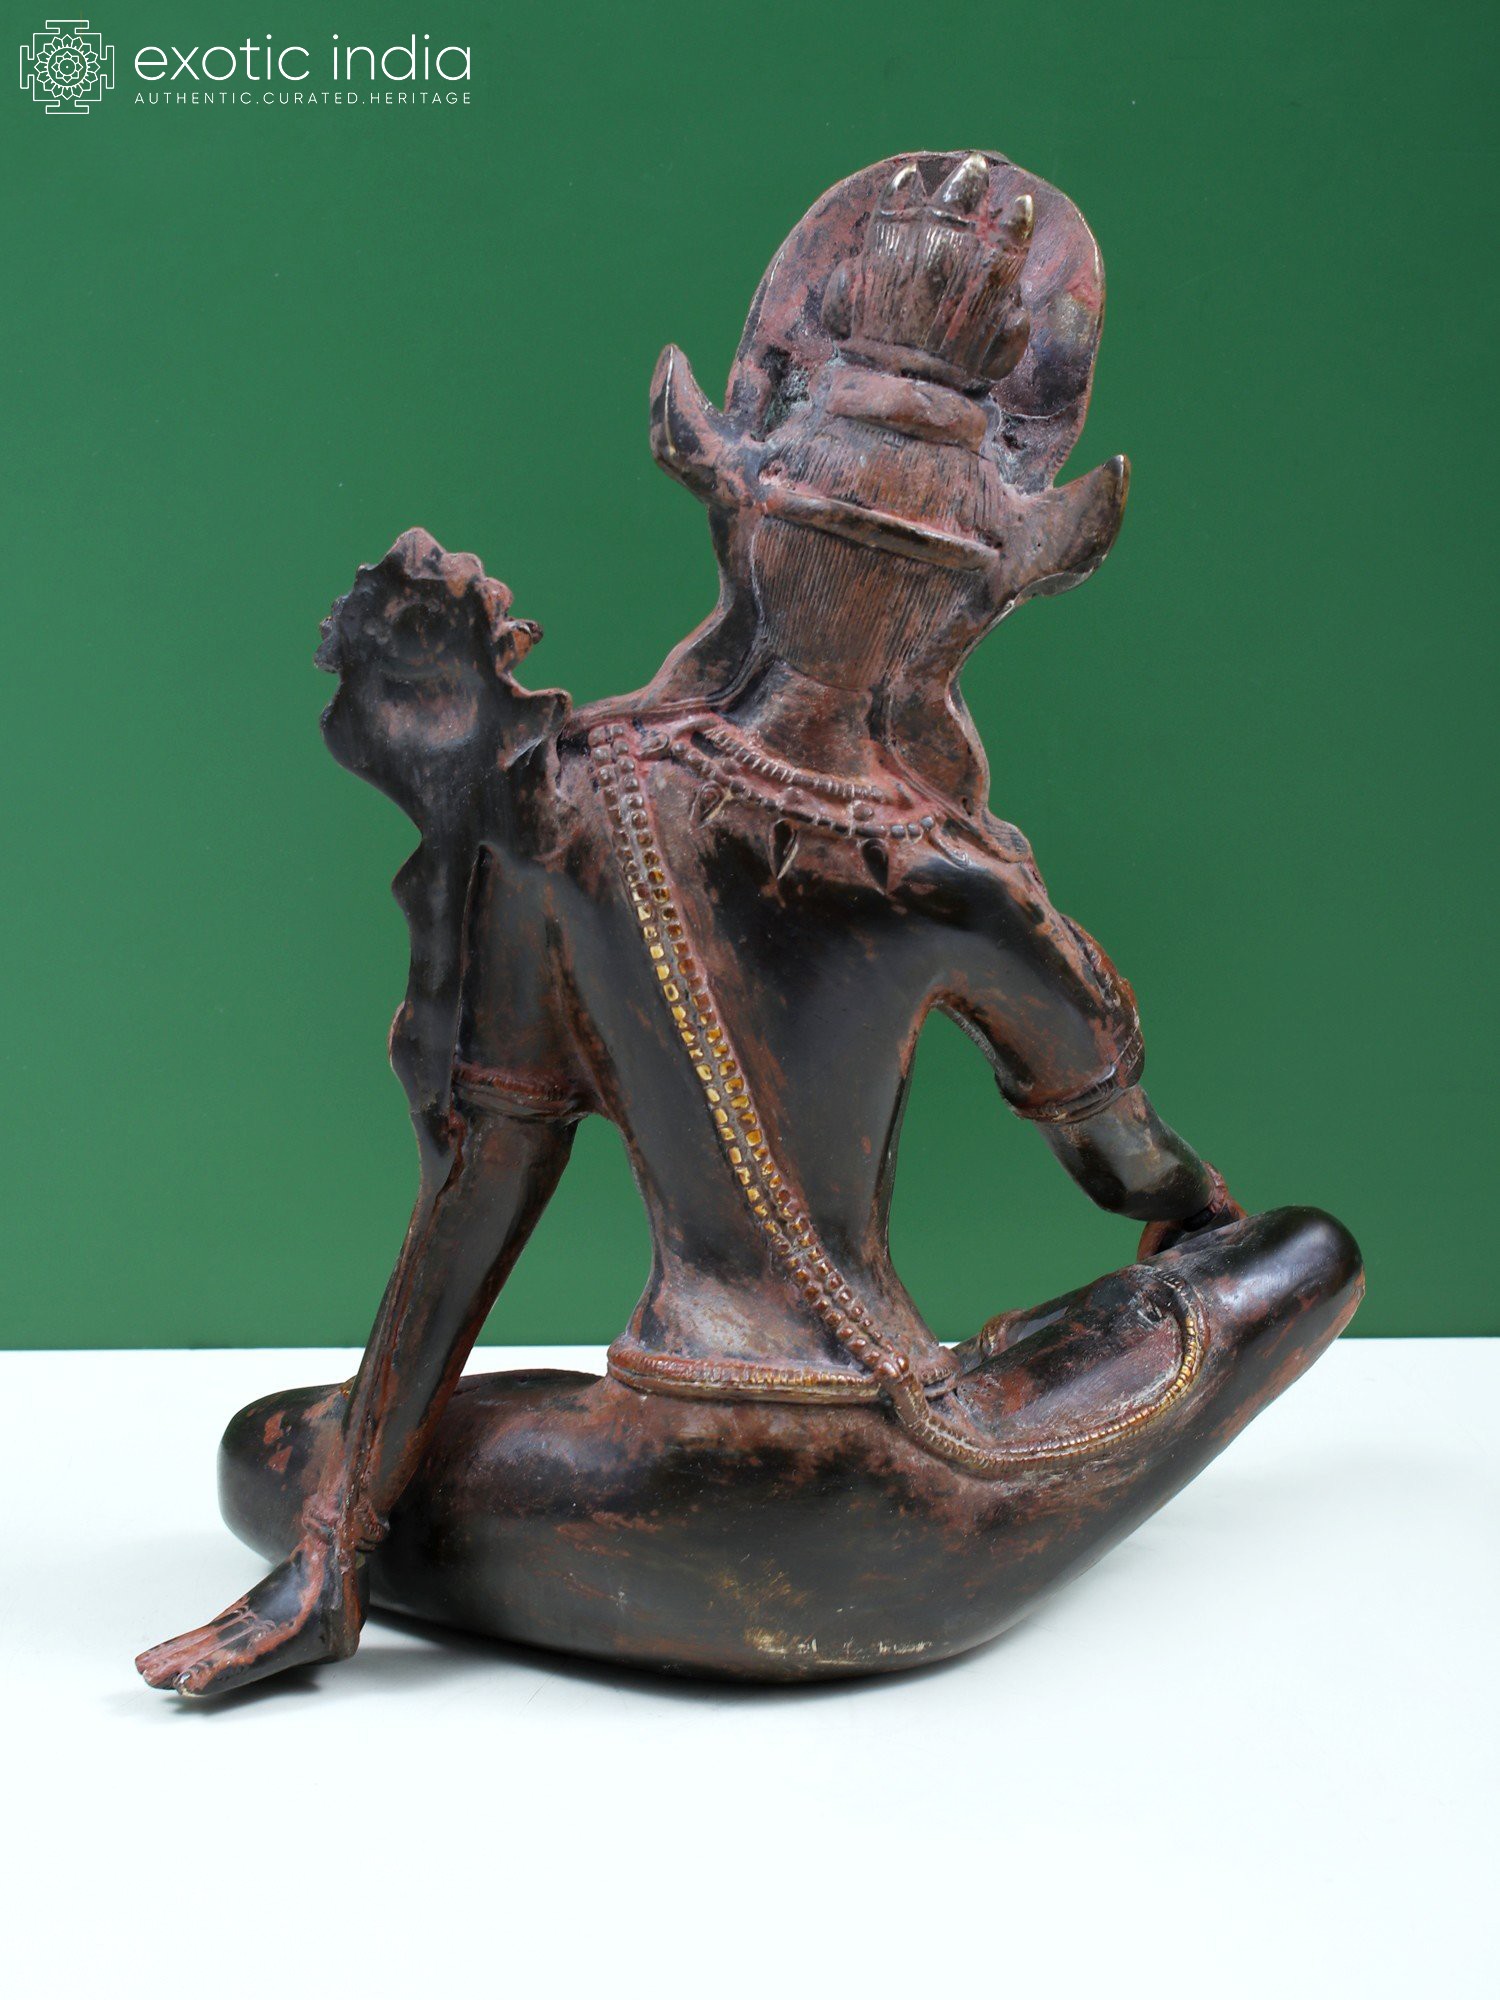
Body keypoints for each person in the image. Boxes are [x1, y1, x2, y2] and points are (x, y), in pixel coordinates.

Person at [138, 152, 1361, 1699]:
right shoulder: (958, 877)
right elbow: (1132, 1169)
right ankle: (990, 1386)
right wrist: (1193, 1232)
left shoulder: (569, 799)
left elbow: (481, 1186)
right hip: (898, 1527)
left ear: (748, 523)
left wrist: (334, 1539)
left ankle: (356, 1518)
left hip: (654, 1490)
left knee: (267, 1445)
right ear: (971, 601)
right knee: (1302, 1256)